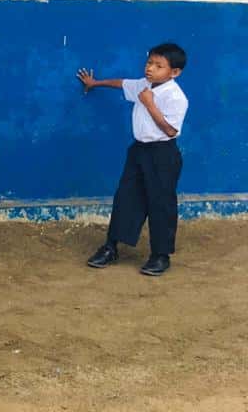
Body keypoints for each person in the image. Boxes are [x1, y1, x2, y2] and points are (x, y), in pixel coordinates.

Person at [78, 43, 188, 276]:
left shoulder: (176, 97)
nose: (150, 68)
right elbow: (122, 83)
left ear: (174, 72)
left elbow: (169, 131)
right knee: (126, 197)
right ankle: (111, 247)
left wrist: (149, 104)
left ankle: (160, 255)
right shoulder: (144, 84)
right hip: (139, 151)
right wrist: (95, 83)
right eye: (150, 63)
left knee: (161, 203)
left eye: (159, 66)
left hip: (162, 154)